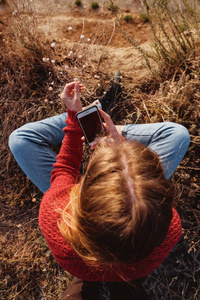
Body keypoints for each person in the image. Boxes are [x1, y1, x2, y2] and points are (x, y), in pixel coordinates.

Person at [9, 73, 190, 299]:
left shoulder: (56, 218)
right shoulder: (170, 229)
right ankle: (105, 121)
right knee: (179, 135)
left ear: (82, 192)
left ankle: (94, 115)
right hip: (122, 259)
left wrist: (75, 120)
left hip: (79, 246)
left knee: (20, 140)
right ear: (159, 194)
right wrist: (119, 147)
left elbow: (65, 169)